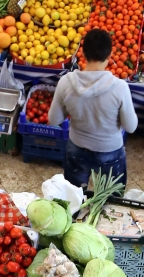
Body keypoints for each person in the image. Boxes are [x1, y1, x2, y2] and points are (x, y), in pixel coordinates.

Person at [46, 27, 138, 190]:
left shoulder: (66, 82)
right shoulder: (119, 88)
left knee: (74, 197)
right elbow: (130, 127)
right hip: (109, 150)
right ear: (109, 56)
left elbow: (54, 120)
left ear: (82, 53)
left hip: (77, 147)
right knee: (110, 201)